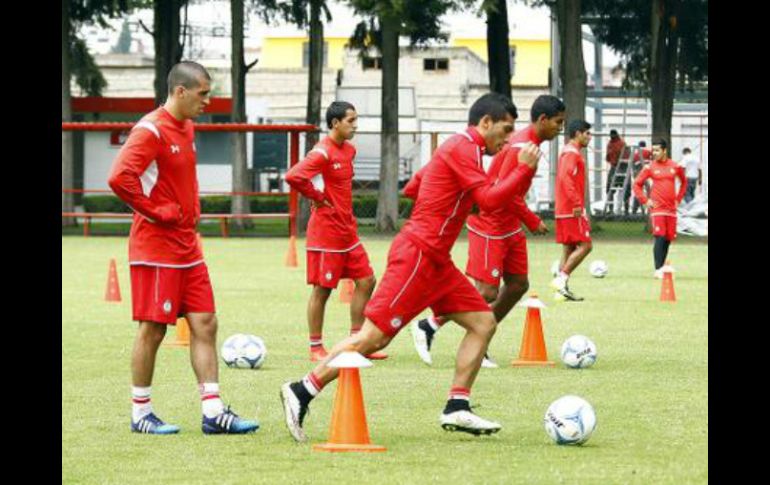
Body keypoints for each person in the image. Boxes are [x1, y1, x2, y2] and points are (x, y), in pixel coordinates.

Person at [280, 93, 541, 441]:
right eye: (505, 130)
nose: (509, 140)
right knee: (372, 338)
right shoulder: (463, 147)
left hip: (437, 261)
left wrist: (443, 192)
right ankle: (302, 389)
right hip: (418, 256)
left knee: (483, 322)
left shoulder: (462, 151)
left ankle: (457, 406)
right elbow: (489, 202)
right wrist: (524, 168)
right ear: (486, 123)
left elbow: (414, 185)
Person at [108, 61, 259, 435]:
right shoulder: (150, 131)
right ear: (180, 92)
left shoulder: (188, 127)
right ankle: (141, 413)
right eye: (203, 93)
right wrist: (157, 210)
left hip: (187, 248)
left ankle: (213, 412)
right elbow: (119, 178)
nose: (208, 100)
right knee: (153, 330)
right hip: (156, 248)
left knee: (205, 323)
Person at [410, 95, 565, 368]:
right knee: (486, 292)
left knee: (518, 285)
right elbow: (498, 190)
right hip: (490, 225)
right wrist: (530, 219)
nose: (560, 129)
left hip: (509, 226)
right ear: (543, 120)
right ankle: (431, 325)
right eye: (558, 123)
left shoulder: (529, 144)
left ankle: (479, 341)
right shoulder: (518, 146)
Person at [284, 102, 386, 362]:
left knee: (367, 280)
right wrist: (317, 197)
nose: (355, 125)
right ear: (334, 124)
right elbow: (294, 176)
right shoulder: (322, 152)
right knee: (323, 290)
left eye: (356, 119)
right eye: (350, 121)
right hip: (326, 233)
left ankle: (356, 342)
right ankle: (315, 347)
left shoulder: (349, 151)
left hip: (347, 231)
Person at [550, 119, 593, 302]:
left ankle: (561, 290)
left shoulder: (569, 152)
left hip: (565, 208)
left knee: (569, 248)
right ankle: (561, 278)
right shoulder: (572, 153)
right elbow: (565, 179)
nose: (589, 137)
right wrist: (577, 204)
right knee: (586, 245)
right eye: (587, 133)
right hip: (571, 209)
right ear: (578, 134)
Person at [632, 139, 687, 278]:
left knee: (667, 238)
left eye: (657, 150)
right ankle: (657, 269)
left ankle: (662, 268)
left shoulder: (675, 166)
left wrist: (678, 200)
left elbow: (684, 183)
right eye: (653, 150)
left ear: (664, 151)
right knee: (660, 236)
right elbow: (636, 184)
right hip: (657, 208)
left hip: (671, 210)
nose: (654, 153)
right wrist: (645, 200)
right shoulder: (649, 167)